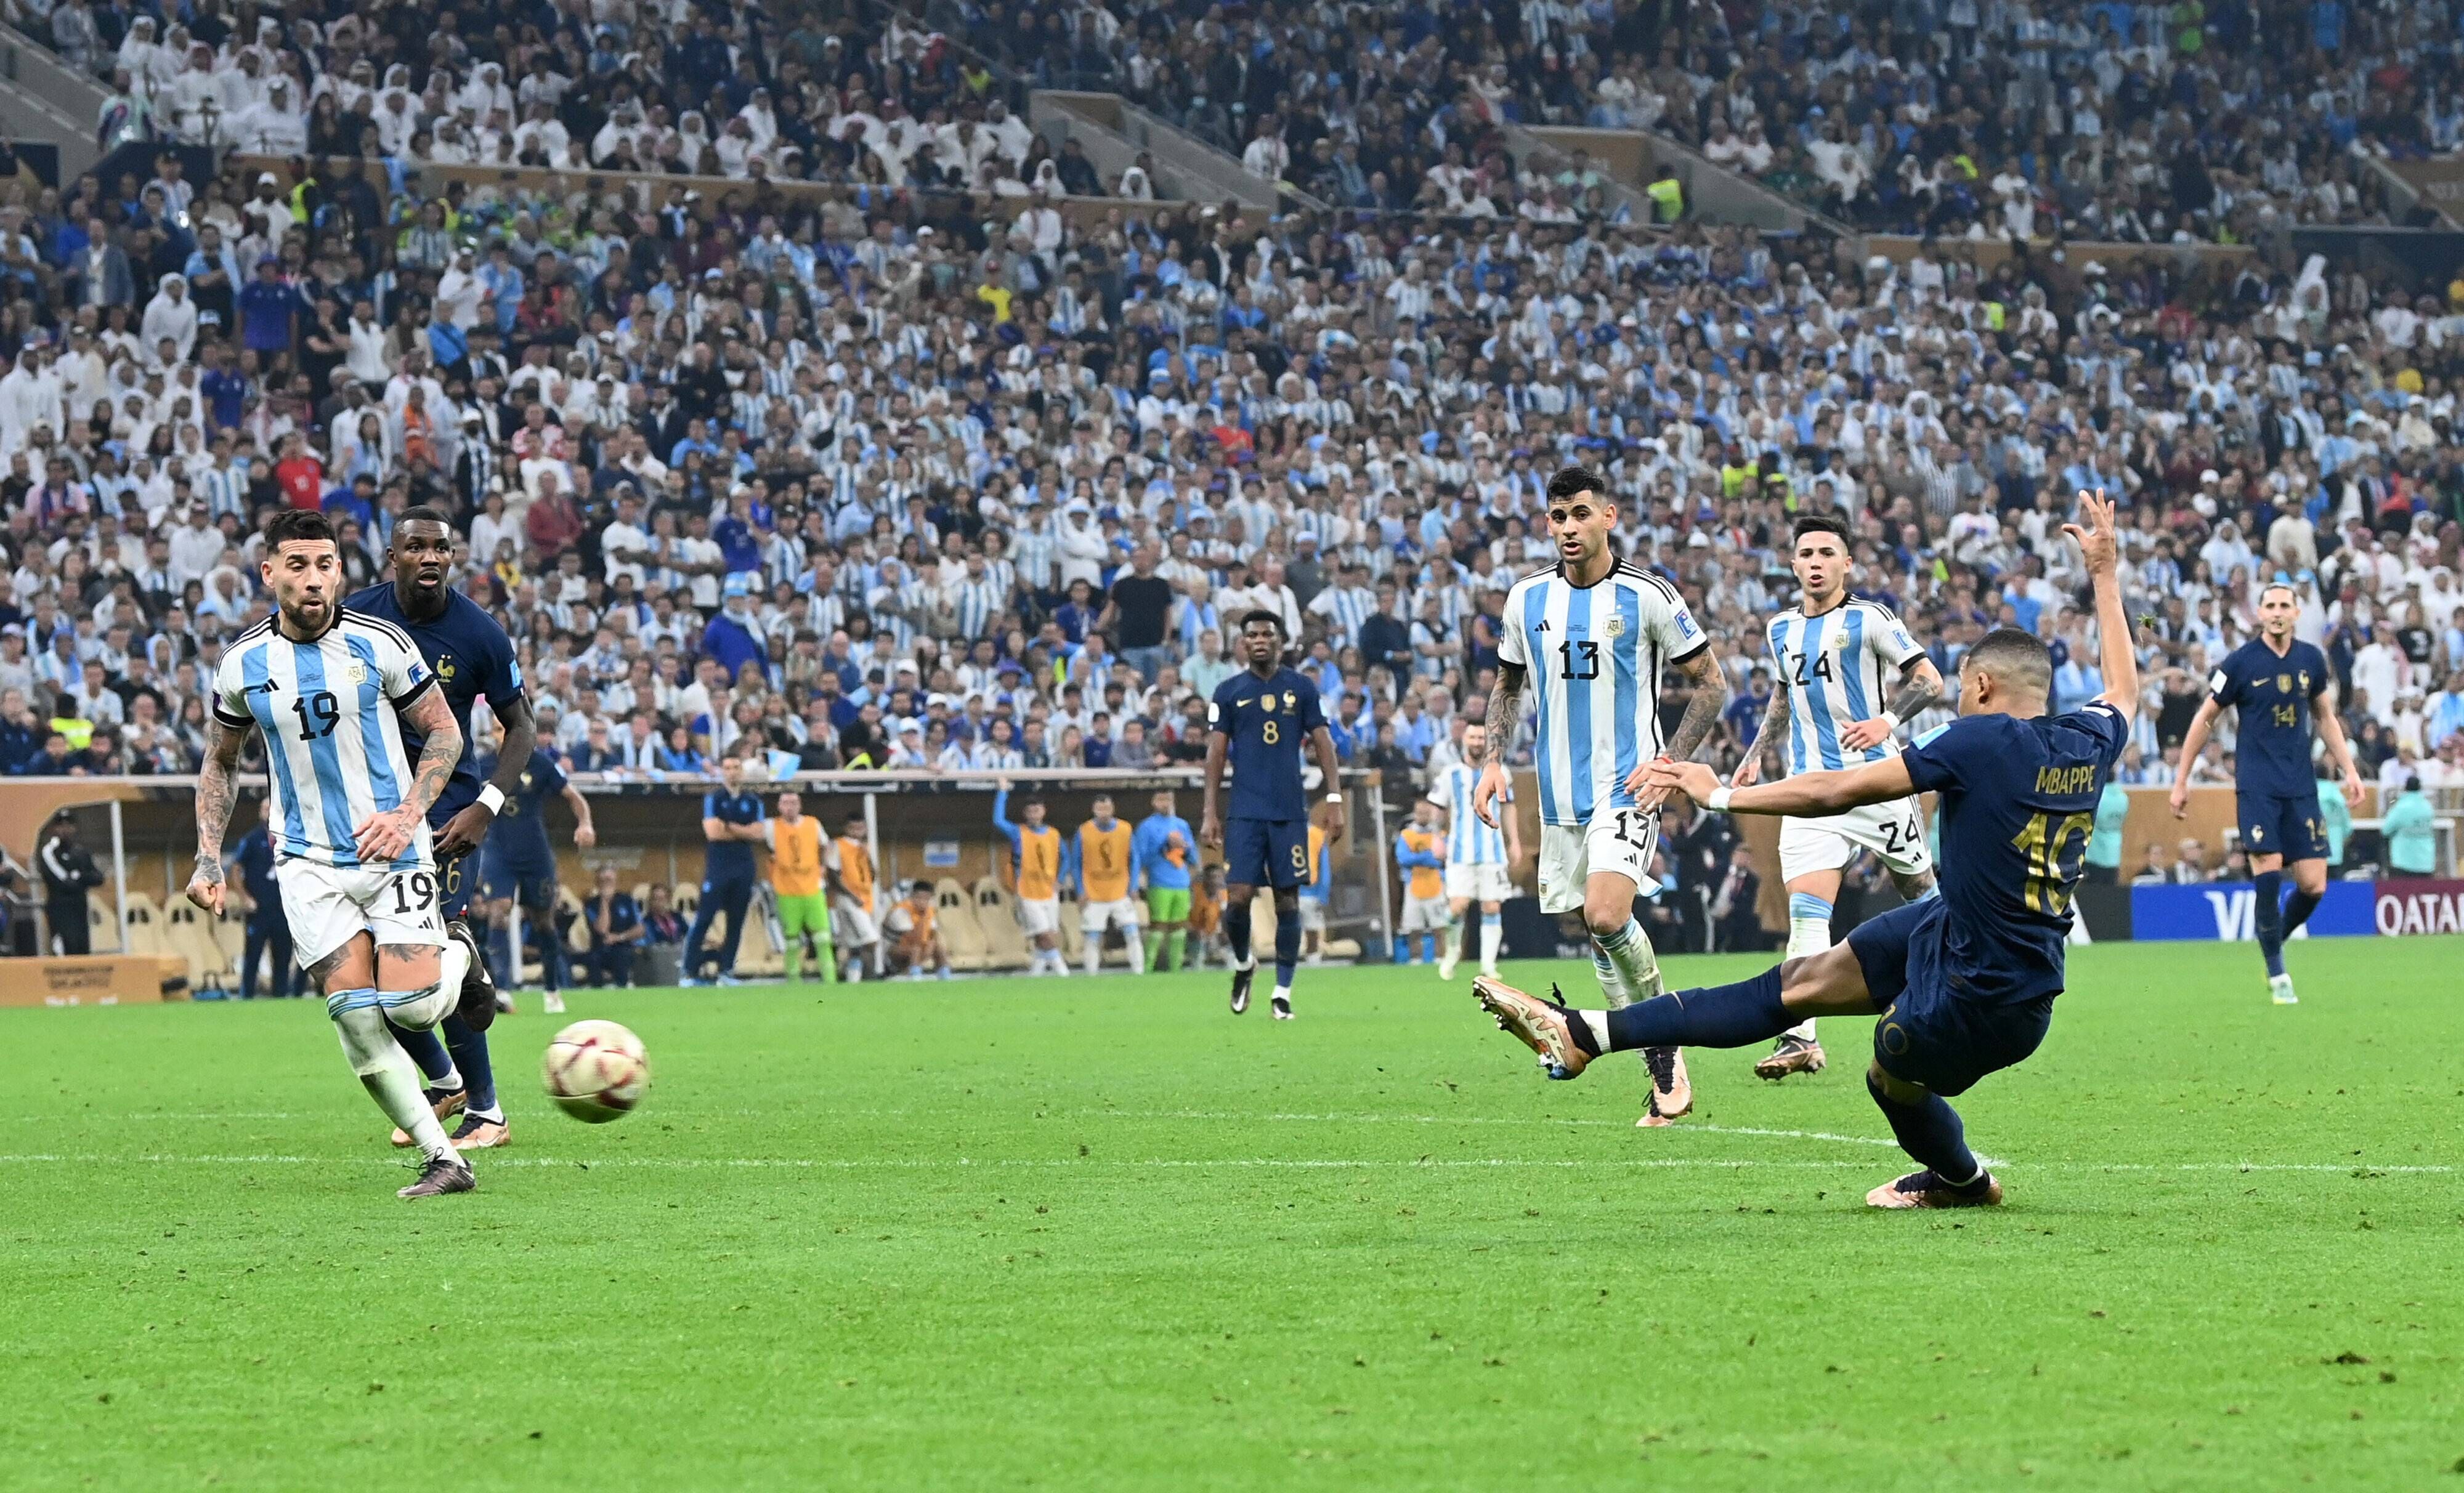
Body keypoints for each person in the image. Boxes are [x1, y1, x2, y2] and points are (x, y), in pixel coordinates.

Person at [1472, 490, 2137, 1210]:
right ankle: (1584, 1034)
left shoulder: (1978, 738)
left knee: (1890, 1077)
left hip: (1984, 994)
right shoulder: (2090, 738)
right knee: (1794, 983)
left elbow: (1834, 791)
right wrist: (2104, 575)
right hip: (1972, 938)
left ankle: (1964, 1182)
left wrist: (1720, 793)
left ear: (1979, 685)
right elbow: (2122, 688)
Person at [186, 508, 480, 1200]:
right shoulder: (242, 664)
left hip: (393, 848)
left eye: (325, 565)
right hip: (307, 862)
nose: (313, 580)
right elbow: (221, 762)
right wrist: (208, 855)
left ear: (340, 572)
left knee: (409, 1010)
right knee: (352, 1014)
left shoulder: (381, 644)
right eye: (297, 565)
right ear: (270, 574)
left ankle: (460, 952)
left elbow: (444, 734)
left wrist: (410, 812)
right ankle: (447, 1160)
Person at [1472, 465, 1728, 1126]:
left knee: (1608, 916)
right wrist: (1493, 762)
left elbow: (1711, 684)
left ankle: (1664, 1050)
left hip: (1628, 788)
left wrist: (1669, 763)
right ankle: (1643, 1041)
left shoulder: (1646, 595)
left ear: (1608, 517)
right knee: (1594, 927)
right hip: (1558, 796)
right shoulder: (1526, 599)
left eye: (1580, 514)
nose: (1567, 528)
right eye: (1557, 517)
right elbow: (1506, 685)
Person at [1733, 512, 1943, 1080]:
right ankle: (1800, 1036)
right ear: (1793, 563)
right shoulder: (1781, 630)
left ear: (1847, 563)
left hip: (1877, 785)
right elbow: (1784, 697)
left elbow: (1929, 679)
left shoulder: (1871, 618)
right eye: (1806, 554)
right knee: (1807, 912)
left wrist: (1887, 721)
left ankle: (1958, 993)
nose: (1816, 563)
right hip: (1810, 792)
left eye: (1828, 553)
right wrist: (1755, 755)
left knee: (1924, 898)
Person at [349, 506, 533, 1147]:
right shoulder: (354, 620)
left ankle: (486, 1111)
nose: (430, 558)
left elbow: (523, 727)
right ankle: (446, 1081)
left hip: (447, 821)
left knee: (419, 961)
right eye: (416, 547)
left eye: (441, 549)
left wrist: (485, 806)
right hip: (369, 822)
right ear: (392, 557)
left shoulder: (479, 633)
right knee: (370, 973)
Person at [2170, 581, 2366, 1004]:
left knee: (2314, 885)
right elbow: (2205, 719)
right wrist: (2182, 779)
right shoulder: (2240, 664)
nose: (2277, 612)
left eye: (2285, 606)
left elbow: (2325, 717)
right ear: (2259, 613)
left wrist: (2350, 770)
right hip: (2257, 786)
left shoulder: (2312, 660)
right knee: (2270, 868)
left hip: (2300, 785)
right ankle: (2278, 974)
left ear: (2296, 613)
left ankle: (2272, 937)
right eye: (2270, 605)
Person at [1202, 609, 1347, 1018]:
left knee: (1288, 901)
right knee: (1238, 899)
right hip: (1245, 812)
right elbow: (1215, 754)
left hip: (1289, 812)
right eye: (1253, 635)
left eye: (1268, 633)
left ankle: (1282, 992)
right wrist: (1210, 811)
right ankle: (1245, 962)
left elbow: (1324, 743)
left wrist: (1334, 800)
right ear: (1243, 644)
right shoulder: (1228, 691)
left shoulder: (1301, 688)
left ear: (1280, 642)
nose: (1260, 640)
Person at [480, 738, 594, 1013]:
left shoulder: (539, 762)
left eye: (504, 727)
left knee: (543, 921)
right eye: (496, 728)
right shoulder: (483, 766)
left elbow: (572, 796)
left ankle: (553, 990)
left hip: (535, 855)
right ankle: (502, 990)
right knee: (499, 913)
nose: (501, 734)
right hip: (498, 852)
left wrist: (586, 823)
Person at [1427, 720, 1520, 980]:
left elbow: (1509, 806)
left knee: (1492, 907)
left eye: (1482, 738)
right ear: (1464, 740)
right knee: (1457, 906)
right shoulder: (1451, 774)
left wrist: (1514, 841)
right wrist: (1436, 837)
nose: (1477, 742)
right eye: (1473, 737)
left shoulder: (1501, 772)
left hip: (1493, 851)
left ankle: (1488, 965)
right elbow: (1437, 807)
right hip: (1460, 852)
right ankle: (1452, 952)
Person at [682, 755, 765, 985]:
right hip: (719, 867)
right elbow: (713, 833)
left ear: (743, 771)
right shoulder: (714, 798)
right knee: (704, 918)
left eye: (737, 767)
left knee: (736, 921)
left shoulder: (754, 801)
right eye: (728, 768)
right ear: (722, 772)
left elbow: (759, 833)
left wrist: (729, 826)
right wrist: (744, 831)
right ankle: (688, 972)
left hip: (744, 866)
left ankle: (726, 972)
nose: (733, 772)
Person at [992, 780, 1069, 976]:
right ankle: (1064, 973)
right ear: (1025, 814)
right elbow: (998, 821)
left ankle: (1034, 976)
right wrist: (1002, 793)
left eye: (1037, 811)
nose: (1034, 815)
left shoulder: (1053, 834)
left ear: (1043, 812)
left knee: (1045, 937)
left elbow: (1066, 857)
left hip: (1049, 892)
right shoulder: (1018, 832)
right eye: (1030, 812)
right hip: (1027, 892)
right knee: (1043, 934)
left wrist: (1060, 879)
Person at [761, 789, 833, 983]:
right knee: (792, 939)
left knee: (823, 937)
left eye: (794, 802)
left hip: (812, 888)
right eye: (785, 803)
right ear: (779, 806)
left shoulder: (813, 824)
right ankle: (793, 980)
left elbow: (826, 845)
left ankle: (830, 980)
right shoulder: (771, 826)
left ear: (800, 805)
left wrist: (824, 866)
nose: (790, 807)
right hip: (787, 890)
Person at [1071, 792, 1142, 975]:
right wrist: (1080, 889)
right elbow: (1076, 863)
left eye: (1107, 808)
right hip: (1094, 893)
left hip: (1120, 890)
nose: (1104, 812)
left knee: (1132, 932)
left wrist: (1133, 886)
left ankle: (1139, 972)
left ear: (1113, 809)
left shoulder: (1125, 829)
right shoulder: (1084, 831)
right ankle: (1091, 975)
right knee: (1092, 937)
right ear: (1094, 810)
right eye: (1100, 809)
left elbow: (1134, 859)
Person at [229, 807, 294, 998]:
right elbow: (236, 867)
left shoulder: (288, 840)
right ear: (260, 813)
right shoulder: (252, 839)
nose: (269, 813)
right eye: (266, 809)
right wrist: (244, 897)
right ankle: (247, 995)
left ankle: (280, 996)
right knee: (253, 955)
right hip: (258, 908)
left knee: (283, 955)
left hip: (281, 908)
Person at [1133, 789, 1196, 971]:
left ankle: (1176, 970)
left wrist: (1187, 849)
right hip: (1159, 883)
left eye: (1168, 799)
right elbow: (1142, 858)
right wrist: (1165, 845)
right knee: (1158, 927)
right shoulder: (1146, 827)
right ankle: (1148, 968)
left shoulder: (1181, 825)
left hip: (1182, 882)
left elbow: (1192, 856)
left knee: (1179, 929)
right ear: (1153, 802)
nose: (1165, 803)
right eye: (1161, 800)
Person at [36, 812, 102, 955]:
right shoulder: (49, 852)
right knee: (64, 950)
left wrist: (79, 876)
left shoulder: (81, 853)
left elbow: (98, 878)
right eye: (60, 825)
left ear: (74, 828)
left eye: (69, 825)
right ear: (54, 829)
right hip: (60, 910)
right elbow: (64, 883)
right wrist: (80, 879)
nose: (65, 829)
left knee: (82, 950)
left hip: (79, 909)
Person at [1393, 799, 1448, 963]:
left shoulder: (1439, 835)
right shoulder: (1407, 835)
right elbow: (1403, 859)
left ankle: (1441, 960)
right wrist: (1426, 857)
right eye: (1419, 813)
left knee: (1440, 928)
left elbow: (1441, 859)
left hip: (1436, 886)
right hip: (1414, 886)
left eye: (1426, 813)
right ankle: (1415, 961)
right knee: (1413, 929)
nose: (1422, 816)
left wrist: (1418, 859)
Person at [827, 811, 878, 981]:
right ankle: (871, 978)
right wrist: (851, 896)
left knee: (854, 945)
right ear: (846, 828)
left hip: (865, 899)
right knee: (871, 940)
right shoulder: (838, 845)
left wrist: (868, 856)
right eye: (853, 828)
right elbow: (833, 874)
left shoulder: (864, 848)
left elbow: (874, 876)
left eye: (861, 828)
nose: (857, 832)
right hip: (849, 899)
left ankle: (852, 981)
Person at [583, 866, 644, 987]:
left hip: (624, 947)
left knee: (622, 957)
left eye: (609, 880)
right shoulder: (591, 904)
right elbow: (602, 929)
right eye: (603, 881)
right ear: (597, 883)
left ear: (615, 881)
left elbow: (640, 930)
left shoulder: (628, 900)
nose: (606, 884)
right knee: (593, 960)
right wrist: (605, 901)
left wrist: (619, 937)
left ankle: (622, 994)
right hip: (600, 950)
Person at [882, 879, 948, 979]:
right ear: (912, 897)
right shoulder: (901, 912)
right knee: (916, 950)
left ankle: (946, 980)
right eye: (919, 898)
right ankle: (915, 980)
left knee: (939, 948)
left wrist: (931, 945)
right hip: (890, 955)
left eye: (926, 899)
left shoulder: (930, 910)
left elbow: (933, 934)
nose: (923, 902)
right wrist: (922, 916)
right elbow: (914, 940)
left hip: (917, 949)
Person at [2382, 775, 2438, 875]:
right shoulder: (2428, 807)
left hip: (2403, 860)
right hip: (2426, 861)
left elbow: (2386, 830)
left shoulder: (2401, 807)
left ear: (2405, 788)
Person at [2084, 778, 2130, 886]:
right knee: (2109, 894)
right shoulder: (2123, 797)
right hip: (2114, 853)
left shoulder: (2097, 796)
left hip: (2094, 853)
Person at [1188, 864, 1226, 969]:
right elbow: (1183, 917)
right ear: (1205, 878)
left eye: (1219, 877)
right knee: (1198, 941)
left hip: (1213, 934)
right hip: (1193, 933)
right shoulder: (1194, 892)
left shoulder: (1224, 894)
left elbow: (1225, 917)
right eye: (1213, 877)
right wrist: (1194, 930)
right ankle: (1197, 968)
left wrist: (1225, 933)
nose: (1216, 881)